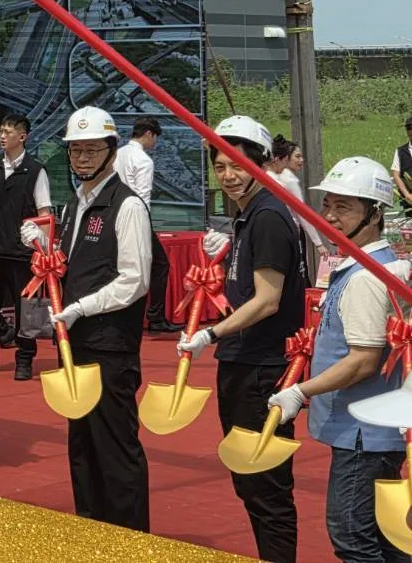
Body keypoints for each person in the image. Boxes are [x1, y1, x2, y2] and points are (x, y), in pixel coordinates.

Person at [269, 156, 408, 563]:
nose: (330, 216)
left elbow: (363, 361)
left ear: (376, 214)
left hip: (363, 434)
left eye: (344, 207)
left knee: (352, 537)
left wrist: (301, 391)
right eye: (327, 205)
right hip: (366, 428)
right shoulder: (365, 267)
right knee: (385, 536)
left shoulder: (367, 276)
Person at [178, 116, 304, 563]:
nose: (228, 176)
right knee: (250, 484)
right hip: (245, 362)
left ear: (261, 164)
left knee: (265, 487)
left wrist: (210, 333)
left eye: (237, 165)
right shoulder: (249, 214)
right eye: (220, 166)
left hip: (261, 368)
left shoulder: (267, 216)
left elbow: (268, 300)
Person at [31, 106, 151, 532]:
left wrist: (83, 306)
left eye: (91, 150)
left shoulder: (127, 205)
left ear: (111, 151)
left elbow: (135, 279)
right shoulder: (74, 205)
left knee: (115, 450)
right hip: (75, 343)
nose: (82, 158)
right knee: (82, 448)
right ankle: (91, 533)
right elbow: (76, 264)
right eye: (75, 150)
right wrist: (45, 246)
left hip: (110, 347)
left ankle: (130, 542)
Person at [0, 112, 50, 379]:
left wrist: (42, 248)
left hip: (21, 252)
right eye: (1, 132)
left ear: (23, 136)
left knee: (25, 309)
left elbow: (44, 211)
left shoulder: (36, 170)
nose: (2, 136)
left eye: (8, 132)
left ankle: (25, 357)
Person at [113, 117, 179, 334]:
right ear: (149, 134)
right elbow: (142, 196)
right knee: (160, 264)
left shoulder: (118, 154)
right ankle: (155, 316)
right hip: (136, 217)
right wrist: (144, 226)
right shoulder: (143, 160)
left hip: (115, 215)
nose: (155, 142)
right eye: (155, 137)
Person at [270, 134, 321, 281]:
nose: (301, 160)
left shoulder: (280, 177)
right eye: (297, 156)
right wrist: (318, 243)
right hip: (291, 231)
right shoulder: (287, 180)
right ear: (283, 159)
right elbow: (301, 212)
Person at [393, 117, 412, 209]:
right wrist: (407, 195)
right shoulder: (400, 151)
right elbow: (396, 175)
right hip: (409, 201)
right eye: (409, 128)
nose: (411, 131)